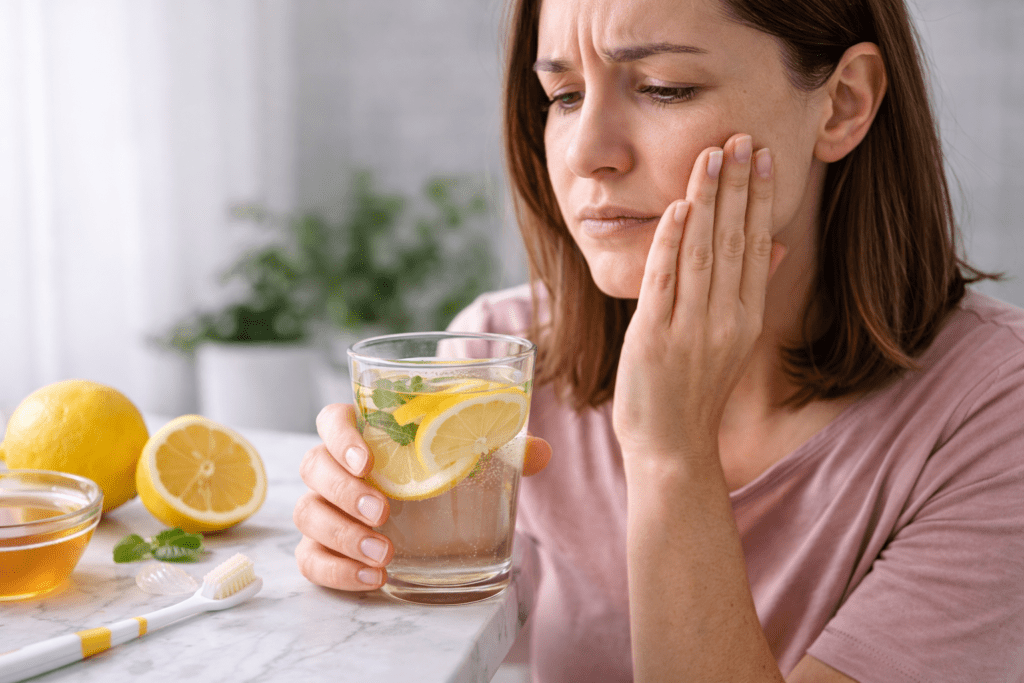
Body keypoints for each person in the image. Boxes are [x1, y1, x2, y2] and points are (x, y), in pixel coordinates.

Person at [293, 0, 1024, 680]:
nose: (587, 153)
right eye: (565, 95)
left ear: (844, 103)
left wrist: (669, 449)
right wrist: (368, 556)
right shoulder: (502, 356)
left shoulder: (997, 412)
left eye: (665, 87)